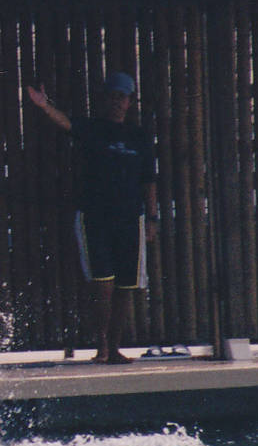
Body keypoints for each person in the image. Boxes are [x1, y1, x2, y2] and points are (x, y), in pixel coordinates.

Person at [26, 71, 160, 364]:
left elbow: (149, 180)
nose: (117, 102)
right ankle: (101, 345)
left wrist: (152, 218)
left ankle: (114, 347)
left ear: (130, 101)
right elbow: (65, 123)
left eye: (122, 97)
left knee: (127, 285)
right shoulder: (92, 128)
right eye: (112, 96)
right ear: (104, 98)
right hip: (95, 217)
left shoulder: (138, 137)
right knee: (103, 283)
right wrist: (44, 105)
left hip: (130, 219)